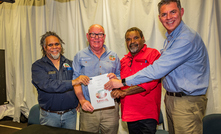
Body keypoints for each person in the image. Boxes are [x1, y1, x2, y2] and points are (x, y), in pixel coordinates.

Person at [104, 0, 210, 134]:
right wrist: (116, 79)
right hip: (171, 101)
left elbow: (155, 73)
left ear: (181, 12)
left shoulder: (185, 39)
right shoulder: (171, 39)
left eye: (173, 12)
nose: (169, 17)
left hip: (185, 102)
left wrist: (122, 84)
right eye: (164, 14)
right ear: (159, 18)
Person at [31, 31, 90, 130]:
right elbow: (47, 85)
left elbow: (78, 84)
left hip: (70, 115)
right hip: (49, 116)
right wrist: (73, 82)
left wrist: (80, 99)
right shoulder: (38, 66)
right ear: (44, 47)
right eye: (50, 45)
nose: (54, 47)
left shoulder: (71, 64)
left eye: (57, 44)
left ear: (61, 46)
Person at [111, 27, 161, 134]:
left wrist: (124, 92)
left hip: (147, 113)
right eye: (128, 39)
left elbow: (151, 82)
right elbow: (120, 83)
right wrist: (112, 80)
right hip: (129, 113)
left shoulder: (153, 54)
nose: (132, 42)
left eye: (136, 38)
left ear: (143, 39)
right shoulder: (123, 61)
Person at [72, 24, 121, 134]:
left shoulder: (113, 55)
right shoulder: (79, 56)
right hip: (89, 108)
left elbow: (120, 76)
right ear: (87, 36)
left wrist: (116, 79)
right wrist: (82, 100)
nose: (96, 38)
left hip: (110, 109)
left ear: (104, 37)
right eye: (93, 34)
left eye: (100, 34)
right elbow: (75, 81)